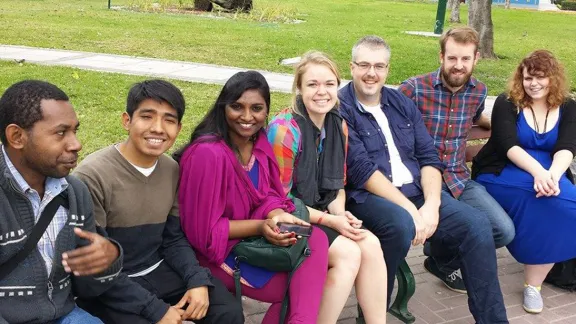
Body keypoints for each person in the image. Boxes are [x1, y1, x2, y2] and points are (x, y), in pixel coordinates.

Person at [339, 35, 509, 323]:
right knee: (399, 225)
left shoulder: (400, 103)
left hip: (418, 191)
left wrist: (431, 205)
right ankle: (371, 315)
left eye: (379, 66)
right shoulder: (341, 107)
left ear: (388, 69)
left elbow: (429, 157)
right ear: (352, 67)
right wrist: (410, 210)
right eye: (364, 65)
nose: (372, 73)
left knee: (477, 224)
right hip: (371, 197)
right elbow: (361, 171)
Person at [74, 80, 243, 324]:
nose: (158, 128)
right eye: (147, 116)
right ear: (126, 120)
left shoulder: (171, 169)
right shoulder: (92, 176)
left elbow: (173, 237)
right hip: (111, 285)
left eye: (169, 120)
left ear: (178, 127)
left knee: (226, 311)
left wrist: (196, 279)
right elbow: (94, 268)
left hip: (158, 270)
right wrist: (155, 309)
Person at [176, 71, 330, 324]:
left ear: (266, 110)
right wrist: (261, 226)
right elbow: (202, 233)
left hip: (249, 240)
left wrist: (276, 215)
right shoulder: (208, 154)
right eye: (237, 107)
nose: (247, 117)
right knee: (297, 291)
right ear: (223, 107)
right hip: (214, 254)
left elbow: (268, 193)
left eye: (257, 108)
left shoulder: (258, 141)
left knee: (316, 238)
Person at [267, 51, 387, 323]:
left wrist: (341, 213)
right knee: (347, 254)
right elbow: (279, 203)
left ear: (337, 86)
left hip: (317, 212)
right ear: (299, 88)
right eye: (312, 85)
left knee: (370, 243)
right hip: (280, 220)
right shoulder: (285, 131)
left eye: (329, 84)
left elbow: (336, 187)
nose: (322, 92)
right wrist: (332, 221)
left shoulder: (337, 124)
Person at [398, 26, 515, 293]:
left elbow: (474, 119)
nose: (458, 66)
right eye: (452, 58)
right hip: (423, 182)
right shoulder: (412, 89)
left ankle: (440, 258)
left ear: (476, 59)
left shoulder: (478, 92)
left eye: (465, 59)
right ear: (441, 57)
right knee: (469, 227)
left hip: (459, 178)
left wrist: (501, 126)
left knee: (502, 230)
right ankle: (442, 249)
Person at [0, 80, 123, 324]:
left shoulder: (74, 192)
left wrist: (107, 260)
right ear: (16, 137)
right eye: (60, 132)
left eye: (75, 130)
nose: (76, 144)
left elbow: (88, 290)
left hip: (64, 315)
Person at [472, 50, 576, 314]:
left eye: (541, 78)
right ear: (521, 77)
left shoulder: (568, 105)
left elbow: (568, 145)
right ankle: (533, 263)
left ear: (554, 79)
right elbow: (507, 145)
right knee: (550, 200)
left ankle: (534, 285)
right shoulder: (508, 102)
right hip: (502, 171)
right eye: (528, 77)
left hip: (550, 172)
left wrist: (552, 174)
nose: (534, 84)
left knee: (567, 205)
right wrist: (539, 174)